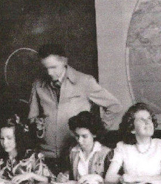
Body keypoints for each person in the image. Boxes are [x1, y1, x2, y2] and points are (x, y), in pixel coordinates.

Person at [28, 43, 124, 173]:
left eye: (53, 67)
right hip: (45, 156)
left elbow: (114, 106)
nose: (49, 73)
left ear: (64, 61)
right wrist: (38, 125)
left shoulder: (85, 81)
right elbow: (32, 118)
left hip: (75, 156)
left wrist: (98, 130)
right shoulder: (38, 84)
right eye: (45, 68)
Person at [105, 103, 161, 184]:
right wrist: (121, 178)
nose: (148, 122)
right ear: (132, 129)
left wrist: (136, 179)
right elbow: (109, 177)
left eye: (149, 118)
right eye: (142, 119)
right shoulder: (122, 147)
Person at [0, 115, 53, 184]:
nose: (4, 143)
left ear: (18, 138)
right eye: (2, 138)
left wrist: (31, 175)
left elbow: (49, 180)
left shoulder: (34, 157)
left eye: (9, 138)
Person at [56, 111, 112, 184]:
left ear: (94, 134)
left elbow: (111, 182)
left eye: (84, 136)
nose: (79, 140)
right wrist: (63, 177)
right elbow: (68, 174)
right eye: (77, 136)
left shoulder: (106, 153)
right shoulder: (72, 152)